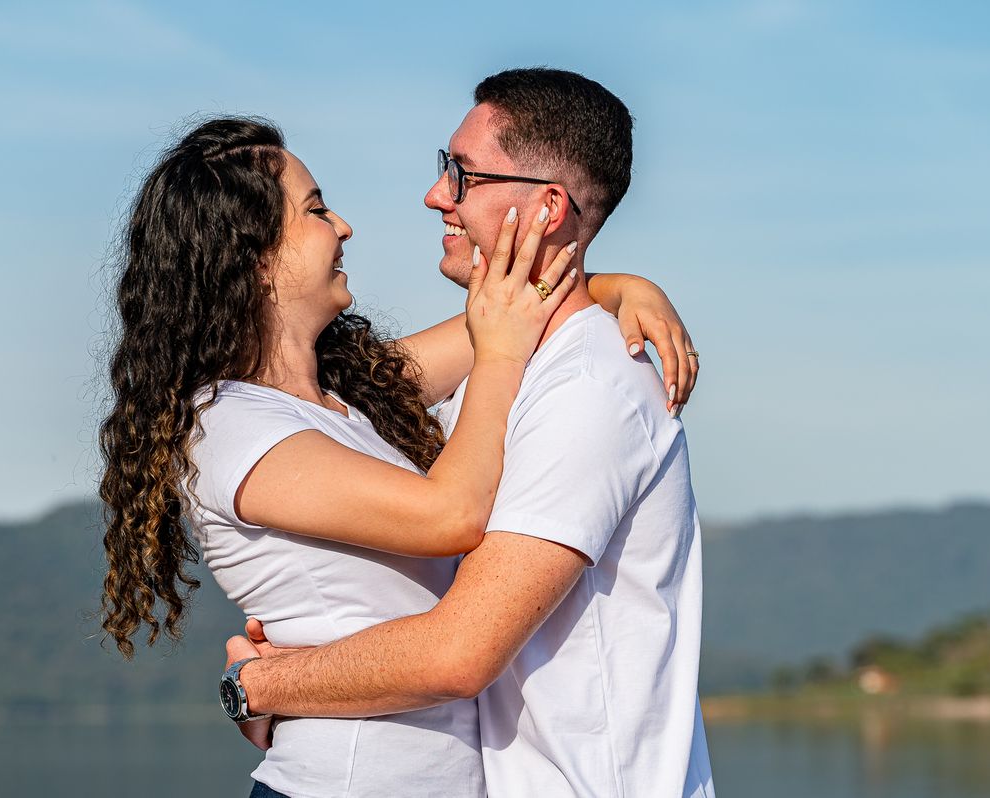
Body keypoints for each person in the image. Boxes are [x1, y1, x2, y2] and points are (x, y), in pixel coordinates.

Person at [98, 116, 698, 798]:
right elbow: (452, 514)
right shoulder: (227, 426)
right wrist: (501, 355)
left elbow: (524, 308)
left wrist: (625, 287)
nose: (344, 226)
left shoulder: (352, 396)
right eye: (316, 211)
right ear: (255, 258)